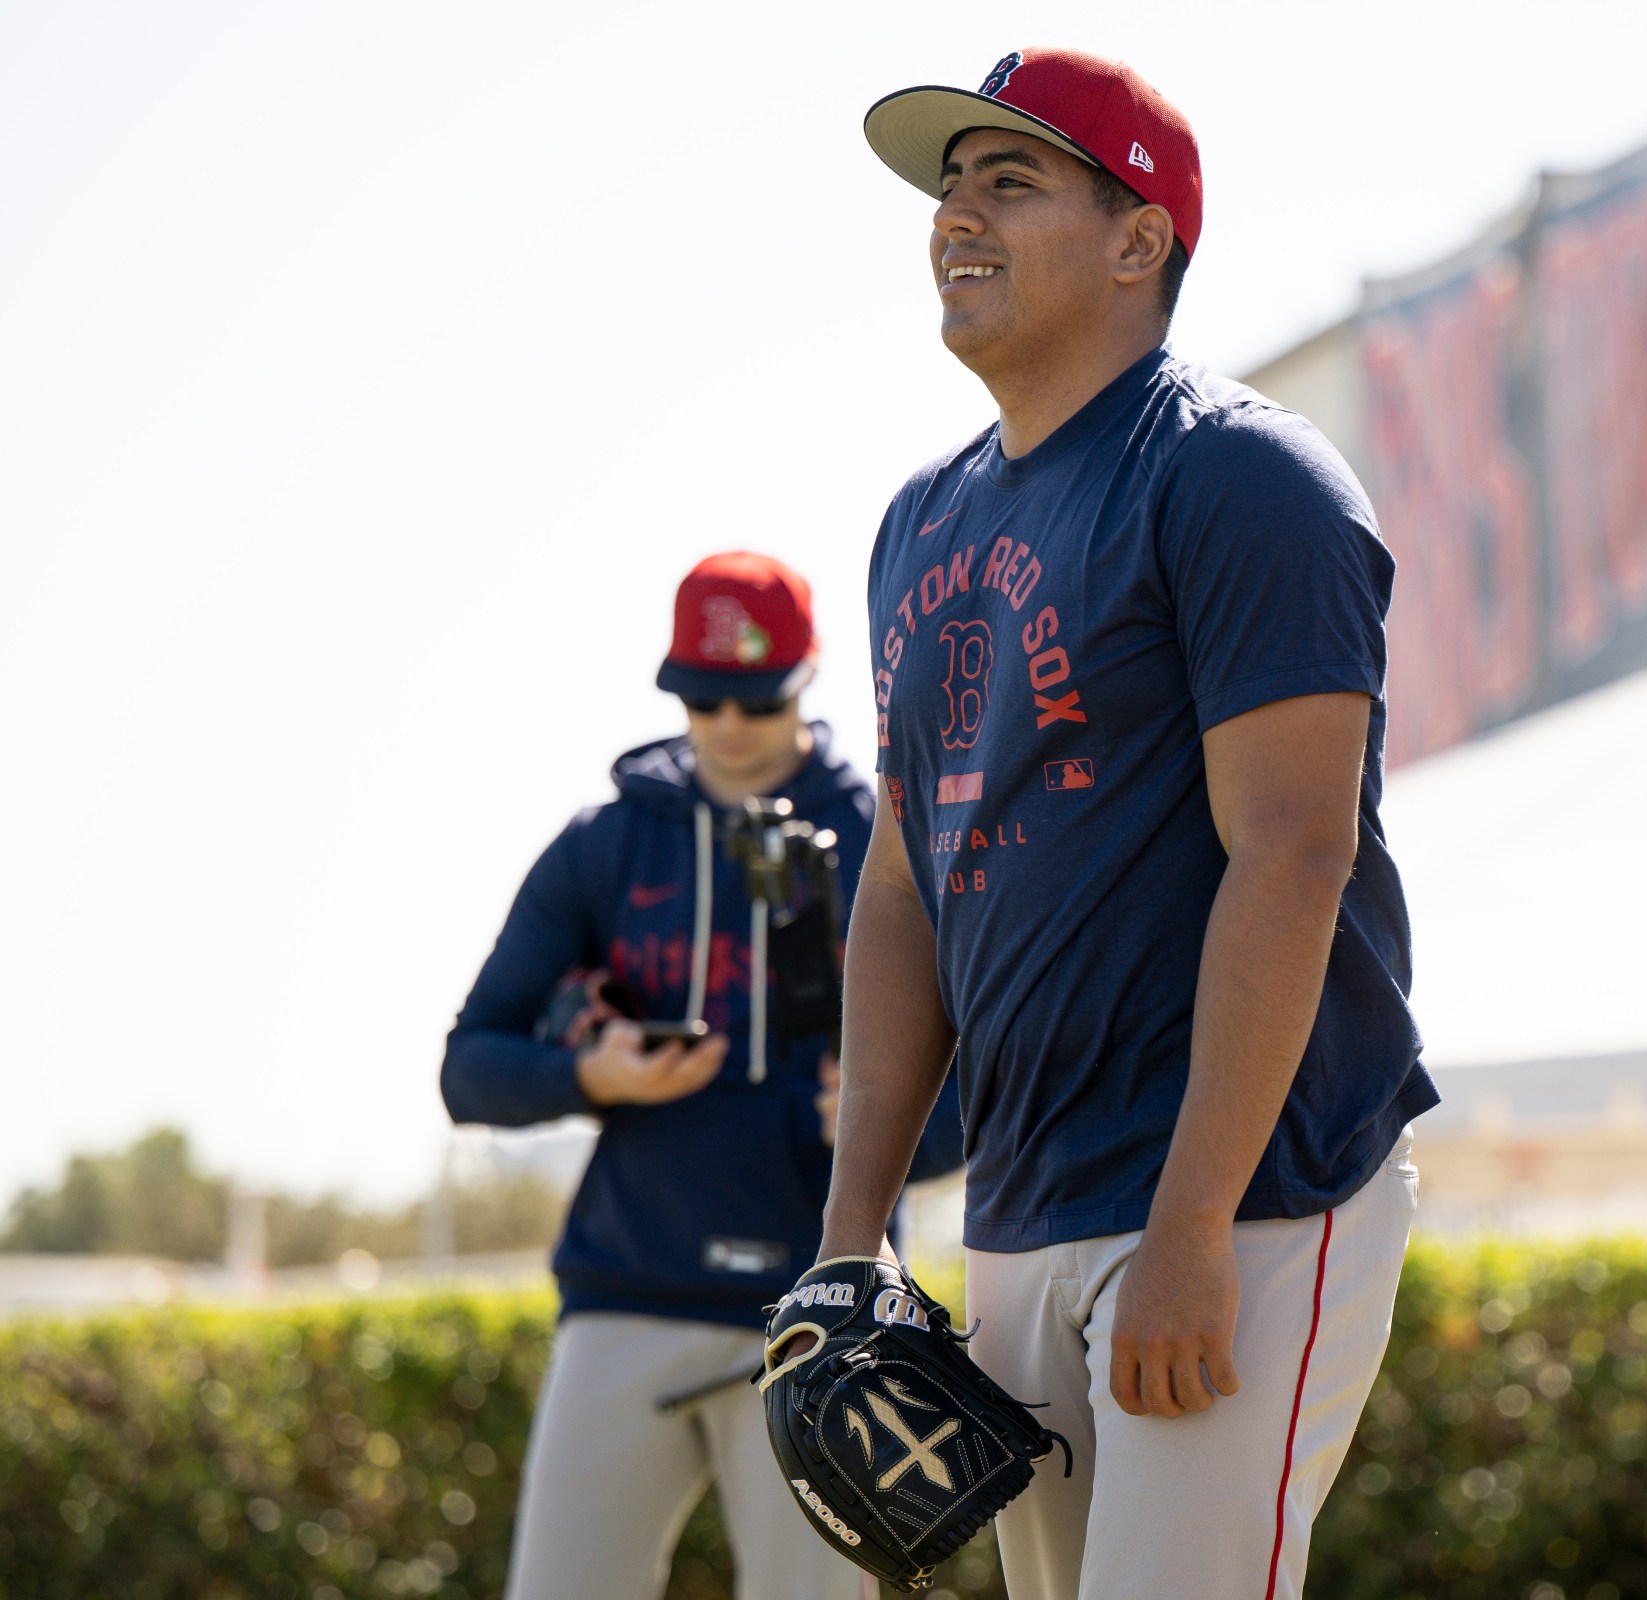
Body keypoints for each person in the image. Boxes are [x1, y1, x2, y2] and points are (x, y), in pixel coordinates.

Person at [815, 49, 1439, 1599]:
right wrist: (850, 1236)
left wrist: (1194, 1222)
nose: (955, 210)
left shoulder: (1237, 475)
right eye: (948, 183)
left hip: (1248, 1191)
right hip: (1025, 1202)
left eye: (1008, 180)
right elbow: (906, 881)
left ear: (1138, 237)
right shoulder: (922, 519)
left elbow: (1296, 850)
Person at [441, 551, 962, 1600]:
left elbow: (987, 1090)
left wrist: (895, 1112)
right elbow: (470, 1069)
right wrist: (594, 1075)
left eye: (756, 696)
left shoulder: (891, 832)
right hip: (627, 1295)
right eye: (702, 694)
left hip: (827, 1304)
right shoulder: (604, 844)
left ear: (807, 679)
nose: (727, 722)